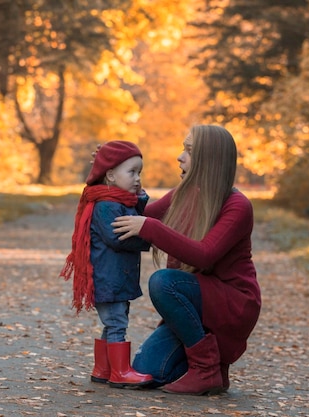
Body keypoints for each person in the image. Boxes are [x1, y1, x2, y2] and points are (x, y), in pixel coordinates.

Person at [111, 125, 261, 395]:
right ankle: (214, 368)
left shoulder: (237, 206)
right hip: (199, 302)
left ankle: (206, 370)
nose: (180, 157)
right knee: (148, 370)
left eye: (189, 151)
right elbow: (141, 213)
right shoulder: (185, 192)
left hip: (232, 303)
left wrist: (150, 227)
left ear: (208, 159)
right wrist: (108, 174)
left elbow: (204, 254)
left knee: (163, 282)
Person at [60, 140, 154, 388]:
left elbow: (136, 215)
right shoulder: (106, 205)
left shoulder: (120, 201)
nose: (137, 178)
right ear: (110, 175)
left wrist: (141, 198)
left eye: (139, 172)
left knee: (114, 321)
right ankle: (120, 372)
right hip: (108, 278)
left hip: (117, 277)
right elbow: (119, 236)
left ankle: (103, 369)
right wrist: (150, 238)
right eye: (131, 172)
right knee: (117, 324)